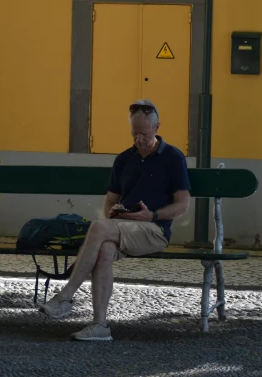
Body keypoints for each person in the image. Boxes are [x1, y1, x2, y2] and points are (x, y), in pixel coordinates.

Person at [37, 99, 191, 341]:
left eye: (144, 133)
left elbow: (183, 205)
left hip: (154, 230)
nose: (139, 139)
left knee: (99, 228)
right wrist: (114, 211)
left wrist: (152, 215)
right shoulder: (123, 159)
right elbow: (110, 200)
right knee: (105, 249)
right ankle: (100, 325)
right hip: (122, 227)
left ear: (158, 127)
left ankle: (65, 297)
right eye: (134, 133)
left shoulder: (173, 157)